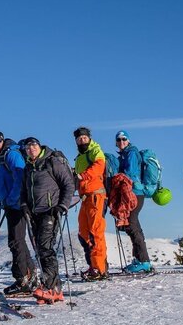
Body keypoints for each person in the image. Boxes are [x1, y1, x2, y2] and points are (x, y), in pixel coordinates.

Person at [19, 137, 75, 304]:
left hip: (51, 211)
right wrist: (23, 204)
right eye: (27, 147)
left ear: (39, 146)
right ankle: (54, 288)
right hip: (34, 212)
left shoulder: (52, 162)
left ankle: (51, 287)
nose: (31, 149)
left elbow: (68, 184)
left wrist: (62, 206)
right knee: (40, 248)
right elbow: (23, 190)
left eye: (33, 145)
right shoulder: (28, 167)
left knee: (45, 247)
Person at [0, 131, 38, 296]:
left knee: (16, 241)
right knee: (17, 241)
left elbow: (20, 177)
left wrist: (11, 199)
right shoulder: (0, 157)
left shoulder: (11, 154)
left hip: (16, 205)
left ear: (3, 141)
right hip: (10, 204)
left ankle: (23, 279)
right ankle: (30, 276)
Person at [73, 127, 108, 281]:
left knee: (95, 232)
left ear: (89, 138)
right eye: (79, 139)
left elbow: (99, 166)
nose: (82, 140)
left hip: (96, 196)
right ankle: (93, 265)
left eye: (84, 138)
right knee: (84, 232)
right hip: (85, 198)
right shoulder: (80, 157)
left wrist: (83, 176)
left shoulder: (95, 150)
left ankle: (99, 269)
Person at [115, 130, 153, 273]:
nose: (121, 142)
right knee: (134, 225)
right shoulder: (125, 154)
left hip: (135, 193)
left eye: (124, 139)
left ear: (128, 140)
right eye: (118, 140)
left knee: (131, 224)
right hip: (133, 193)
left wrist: (117, 177)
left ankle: (144, 261)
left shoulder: (131, 153)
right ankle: (140, 259)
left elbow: (130, 173)